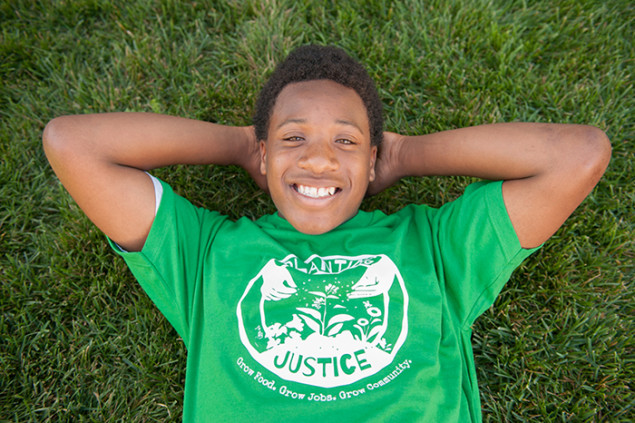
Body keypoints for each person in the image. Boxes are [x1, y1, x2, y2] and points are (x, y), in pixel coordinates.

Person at [43, 45, 611, 422]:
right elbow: (74, 143)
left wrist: (407, 154)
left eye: (346, 141)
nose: (318, 160)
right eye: (292, 139)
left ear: (372, 161)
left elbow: (577, 154)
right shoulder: (210, 252)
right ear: (263, 155)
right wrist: (240, 147)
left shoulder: (432, 245)